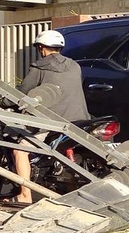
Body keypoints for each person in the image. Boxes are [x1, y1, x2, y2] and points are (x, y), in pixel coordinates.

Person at [8, 29, 88, 205]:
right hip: (80, 118)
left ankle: (24, 195)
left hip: (52, 122)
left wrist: (6, 101)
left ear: (42, 48)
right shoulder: (75, 66)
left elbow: (24, 92)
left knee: (20, 150)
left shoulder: (39, 67)